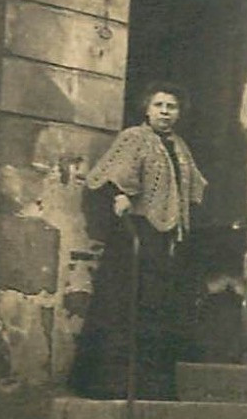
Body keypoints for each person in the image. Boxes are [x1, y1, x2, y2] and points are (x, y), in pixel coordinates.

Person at [70, 84, 207, 400]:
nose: (164, 112)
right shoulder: (134, 137)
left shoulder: (180, 147)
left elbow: (193, 188)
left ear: (178, 113)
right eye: (158, 105)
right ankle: (111, 383)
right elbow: (109, 176)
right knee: (126, 304)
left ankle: (152, 385)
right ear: (147, 109)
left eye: (171, 106)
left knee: (159, 309)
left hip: (167, 240)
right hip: (136, 235)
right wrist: (119, 194)